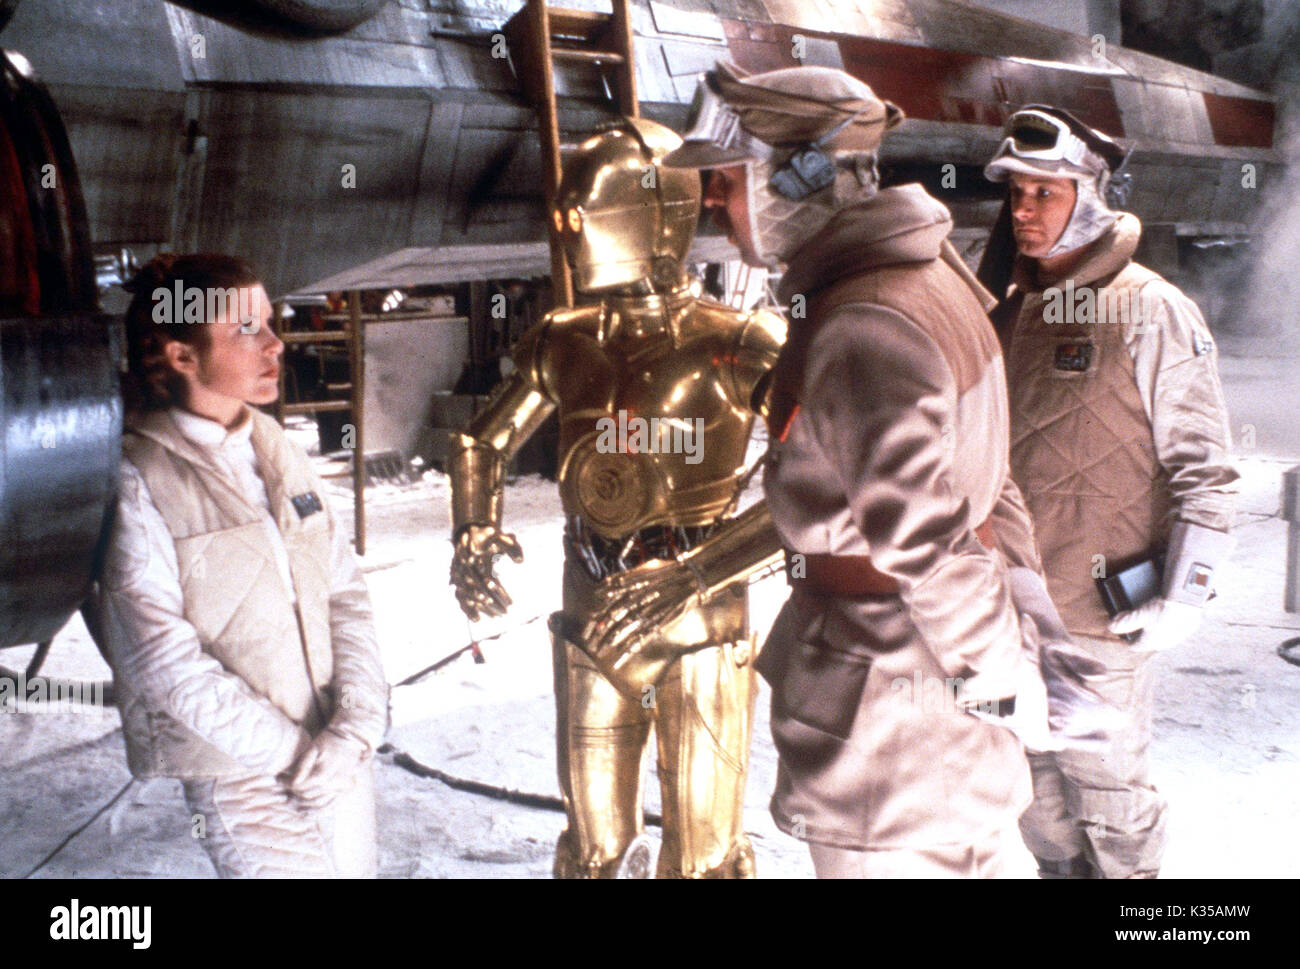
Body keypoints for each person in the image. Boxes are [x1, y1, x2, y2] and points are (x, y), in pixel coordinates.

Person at [617, 61, 1057, 878]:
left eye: (725, 177)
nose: (712, 199)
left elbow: (925, 543)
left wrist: (1003, 672)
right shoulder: (930, 280)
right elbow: (992, 485)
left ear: (800, 175)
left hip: (891, 742)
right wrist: (1018, 642)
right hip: (939, 726)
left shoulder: (863, 324)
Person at [447, 118, 785, 878]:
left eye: (584, 211)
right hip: (592, 603)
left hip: (700, 611)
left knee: (702, 856)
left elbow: (824, 482)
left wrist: (698, 574)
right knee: (593, 848)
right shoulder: (563, 338)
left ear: (655, 213)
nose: (568, 228)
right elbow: (481, 439)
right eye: (565, 213)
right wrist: (473, 526)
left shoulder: (740, 340)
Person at [982, 105, 1238, 878]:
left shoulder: (1151, 307)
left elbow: (1207, 469)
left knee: (1113, 807)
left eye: (1044, 194)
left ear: (1089, 196)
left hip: (1103, 617)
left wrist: (1185, 594)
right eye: (1016, 194)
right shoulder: (1014, 312)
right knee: (1035, 803)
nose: (1023, 211)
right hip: (1010, 613)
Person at [97, 253, 389, 878]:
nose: (276, 345)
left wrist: (358, 724)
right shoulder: (140, 478)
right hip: (242, 773)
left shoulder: (275, 447)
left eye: (271, 321)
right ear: (182, 356)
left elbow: (342, 591)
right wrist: (292, 753)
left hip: (335, 746)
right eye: (245, 330)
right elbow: (160, 661)